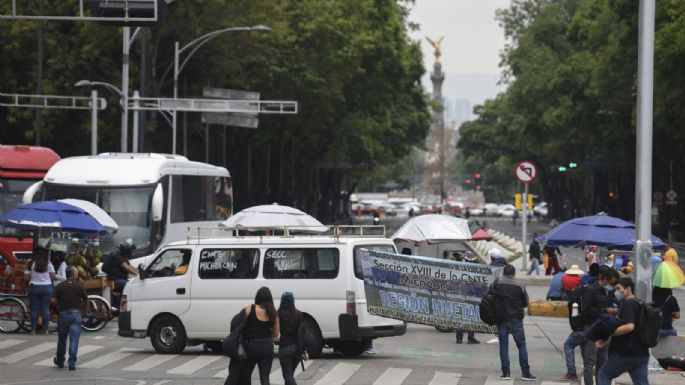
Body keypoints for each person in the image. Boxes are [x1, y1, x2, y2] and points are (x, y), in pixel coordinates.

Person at [597, 277, 649, 385]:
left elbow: (629, 326)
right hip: (641, 353)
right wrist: (608, 339)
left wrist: (610, 333)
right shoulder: (640, 303)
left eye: (618, 288)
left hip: (625, 353)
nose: (616, 291)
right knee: (641, 382)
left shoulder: (628, 304)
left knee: (604, 374)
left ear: (628, 289)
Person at [493, 264, 536, 381]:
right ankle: (525, 373)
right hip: (516, 319)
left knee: (503, 346)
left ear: (503, 273)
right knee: (521, 345)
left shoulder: (496, 283)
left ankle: (506, 373)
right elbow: (525, 303)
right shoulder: (520, 285)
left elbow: (490, 299)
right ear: (514, 273)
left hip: (501, 319)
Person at [581, 268, 620, 385]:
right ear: (603, 279)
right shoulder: (591, 290)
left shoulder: (609, 292)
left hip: (605, 329)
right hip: (592, 328)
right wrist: (606, 310)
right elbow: (586, 310)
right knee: (590, 361)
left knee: (602, 361)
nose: (613, 286)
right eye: (612, 283)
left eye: (615, 284)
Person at [239, 286, 280, 385]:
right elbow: (276, 334)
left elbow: (240, 323)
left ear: (258, 297)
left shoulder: (250, 308)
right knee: (265, 378)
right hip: (267, 347)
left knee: (246, 375)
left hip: (251, 346)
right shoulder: (274, 313)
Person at [51, 266, 88, 371]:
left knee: (62, 339)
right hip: (76, 314)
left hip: (63, 314)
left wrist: (58, 307)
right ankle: (72, 363)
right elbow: (86, 300)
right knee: (74, 339)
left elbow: (53, 300)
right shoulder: (79, 285)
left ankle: (60, 361)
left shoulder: (60, 286)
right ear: (74, 274)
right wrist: (84, 311)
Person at [25, 248, 56, 334]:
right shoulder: (49, 264)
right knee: (45, 309)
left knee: (34, 309)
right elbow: (53, 277)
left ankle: (33, 330)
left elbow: (26, 277)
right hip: (47, 288)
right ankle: (46, 330)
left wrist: (33, 277)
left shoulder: (31, 263)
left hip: (33, 287)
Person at [277, 292, 305, 385]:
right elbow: (302, 333)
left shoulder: (278, 314)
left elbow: (275, 332)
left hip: (284, 347)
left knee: (287, 375)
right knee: (290, 375)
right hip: (297, 349)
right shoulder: (299, 314)